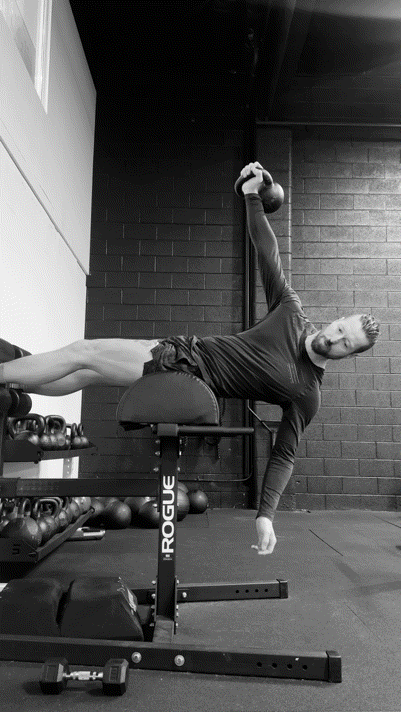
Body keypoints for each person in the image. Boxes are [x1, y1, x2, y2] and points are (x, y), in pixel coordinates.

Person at [0, 162, 380, 556]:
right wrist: (251, 195)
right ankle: (16, 385)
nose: (335, 337)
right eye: (341, 327)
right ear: (338, 318)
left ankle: (4, 375)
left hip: (183, 367)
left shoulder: (306, 393)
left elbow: (285, 453)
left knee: (84, 351)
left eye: (346, 343)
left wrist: (266, 515)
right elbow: (267, 251)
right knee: (88, 372)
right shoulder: (290, 311)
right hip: (181, 349)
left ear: (349, 355)